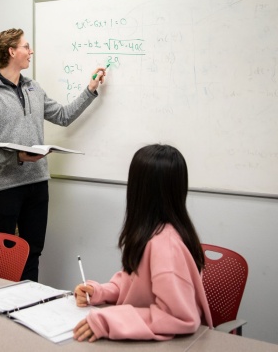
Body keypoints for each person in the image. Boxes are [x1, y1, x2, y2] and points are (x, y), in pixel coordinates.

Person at [0, 28, 107, 281]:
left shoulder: (34, 88)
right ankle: (0, 313)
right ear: (11, 51)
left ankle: (28, 308)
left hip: (37, 184)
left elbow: (63, 116)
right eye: (26, 46)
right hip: (3, 188)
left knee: (33, 252)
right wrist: (16, 157)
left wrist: (90, 89)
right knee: (3, 257)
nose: (31, 51)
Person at [72, 144, 213, 342]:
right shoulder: (150, 233)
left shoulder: (165, 246)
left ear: (139, 190)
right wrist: (99, 292)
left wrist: (109, 321)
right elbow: (130, 283)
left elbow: (179, 317)